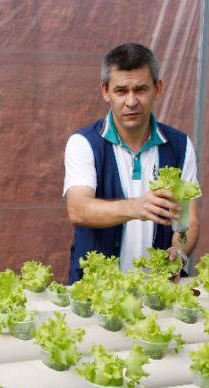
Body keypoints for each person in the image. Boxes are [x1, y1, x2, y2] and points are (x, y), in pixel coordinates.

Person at [63, 43, 200, 283]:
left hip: (159, 292)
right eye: (121, 91)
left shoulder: (179, 146)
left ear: (158, 89)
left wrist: (179, 252)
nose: (131, 101)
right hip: (97, 294)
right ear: (105, 91)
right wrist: (135, 208)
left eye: (141, 89)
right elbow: (78, 210)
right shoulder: (83, 143)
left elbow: (187, 221)